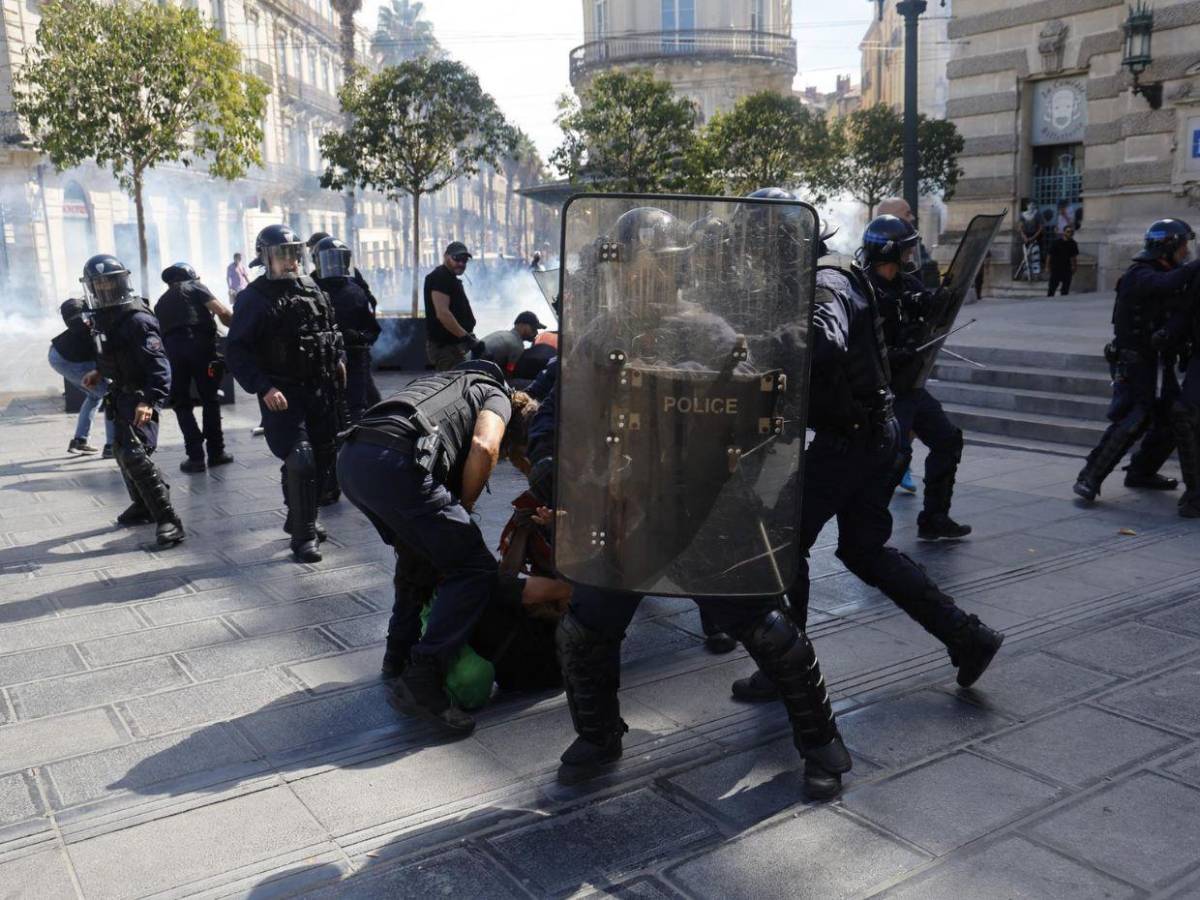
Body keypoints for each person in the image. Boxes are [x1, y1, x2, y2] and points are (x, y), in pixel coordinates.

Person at [547, 203, 850, 798]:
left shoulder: (712, 332)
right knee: (585, 628)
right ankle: (600, 735)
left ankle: (822, 744)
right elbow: (564, 412)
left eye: (655, 265)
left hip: (710, 507)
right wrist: (556, 471)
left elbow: (758, 416)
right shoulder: (602, 334)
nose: (642, 275)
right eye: (635, 264)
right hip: (630, 510)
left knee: (767, 629)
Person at [731, 215, 1004, 719]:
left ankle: (784, 667)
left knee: (785, 548)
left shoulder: (824, 287)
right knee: (863, 549)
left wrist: (756, 347)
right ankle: (969, 637)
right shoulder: (830, 279)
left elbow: (823, 338)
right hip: (870, 438)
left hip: (850, 444)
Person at [336, 359, 569, 735]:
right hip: (397, 464)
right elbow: (485, 445)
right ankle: (424, 679)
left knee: (420, 553)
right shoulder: (499, 396)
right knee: (473, 568)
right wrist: (466, 508)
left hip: (354, 459)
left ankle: (397, 656)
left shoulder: (448, 383)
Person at [226, 224, 345, 563]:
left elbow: (329, 330)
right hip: (284, 392)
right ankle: (304, 536)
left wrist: (339, 360)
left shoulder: (313, 288)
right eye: (281, 254)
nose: (289, 261)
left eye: (293, 253)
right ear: (265, 258)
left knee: (323, 458)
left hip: (320, 389)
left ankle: (299, 515)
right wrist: (264, 387)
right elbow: (237, 351)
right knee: (301, 457)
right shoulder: (253, 298)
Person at [1073, 219, 1200, 503]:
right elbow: (1166, 284)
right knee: (1135, 416)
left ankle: (1142, 471)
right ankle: (1089, 477)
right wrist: (1196, 266)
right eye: (1182, 246)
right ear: (1166, 247)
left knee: (1173, 417)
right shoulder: (1140, 274)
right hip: (1136, 361)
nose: (1185, 252)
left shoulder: (1174, 272)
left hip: (1160, 362)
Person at [862, 214, 972, 541]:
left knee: (947, 439)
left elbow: (922, 306)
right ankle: (865, 527)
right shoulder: (863, 291)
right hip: (884, 390)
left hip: (911, 386)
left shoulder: (907, 284)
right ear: (889, 253)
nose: (911, 256)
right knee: (894, 459)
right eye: (906, 250)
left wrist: (935, 302)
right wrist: (893, 353)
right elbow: (860, 344)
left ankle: (935, 518)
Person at [78, 255, 184, 546]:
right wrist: (99, 372)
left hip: (140, 395)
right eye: (97, 284)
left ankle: (169, 520)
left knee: (136, 455)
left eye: (108, 282)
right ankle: (142, 504)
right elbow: (112, 351)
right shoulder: (103, 317)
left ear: (121, 282)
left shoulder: (136, 319)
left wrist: (150, 401)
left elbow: (159, 366)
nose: (103, 289)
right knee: (122, 451)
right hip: (121, 394)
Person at [154, 263, 234, 473]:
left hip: (173, 355)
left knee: (182, 404)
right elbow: (222, 311)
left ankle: (195, 457)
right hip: (202, 350)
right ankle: (216, 452)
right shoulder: (196, 288)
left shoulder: (160, 303)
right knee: (210, 399)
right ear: (190, 277)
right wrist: (238, 329)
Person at [312, 236, 380, 424]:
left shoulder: (356, 291)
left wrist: (357, 336)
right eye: (329, 260)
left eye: (338, 260)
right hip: (324, 361)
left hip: (356, 357)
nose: (333, 266)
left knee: (357, 407)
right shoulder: (310, 290)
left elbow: (373, 329)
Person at [48, 296, 114, 456]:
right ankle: (112, 447)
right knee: (111, 396)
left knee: (94, 396)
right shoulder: (88, 324)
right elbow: (102, 355)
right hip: (68, 359)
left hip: (58, 354)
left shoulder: (91, 320)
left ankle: (80, 441)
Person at [424, 241, 482, 370]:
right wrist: (466, 338)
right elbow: (443, 314)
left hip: (453, 346)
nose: (461, 263)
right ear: (446, 256)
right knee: (453, 386)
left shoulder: (449, 278)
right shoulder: (441, 277)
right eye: (457, 259)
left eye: (464, 260)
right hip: (445, 347)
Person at [479, 311, 547, 378]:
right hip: (479, 375)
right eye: (533, 328)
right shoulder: (517, 345)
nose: (536, 332)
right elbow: (509, 373)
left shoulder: (501, 333)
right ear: (521, 325)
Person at [1047, 225, 1079, 297]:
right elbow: (1049, 255)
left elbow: (1074, 256)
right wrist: (1047, 266)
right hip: (1056, 268)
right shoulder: (1056, 243)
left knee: (1065, 289)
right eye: (1068, 232)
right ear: (1064, 232)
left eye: (1071, 232)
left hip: (1067, 268)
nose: (1070, 233)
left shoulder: (1073, 243)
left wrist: (1074, 266)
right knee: (1052, 288)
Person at [1020, 202, 1043, 278]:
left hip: (1035, 237)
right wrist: (1024, 237)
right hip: (1026, 238)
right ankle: (1026, 273)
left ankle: (1036, 273)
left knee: (1035, 255)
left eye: (1032, 204)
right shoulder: (1023, 215)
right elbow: (1021, 227)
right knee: (1026, 256)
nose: (1030, 206)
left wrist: (1033, 237)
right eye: (1029, 204)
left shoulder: (1037, 214)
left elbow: (1040, 228)